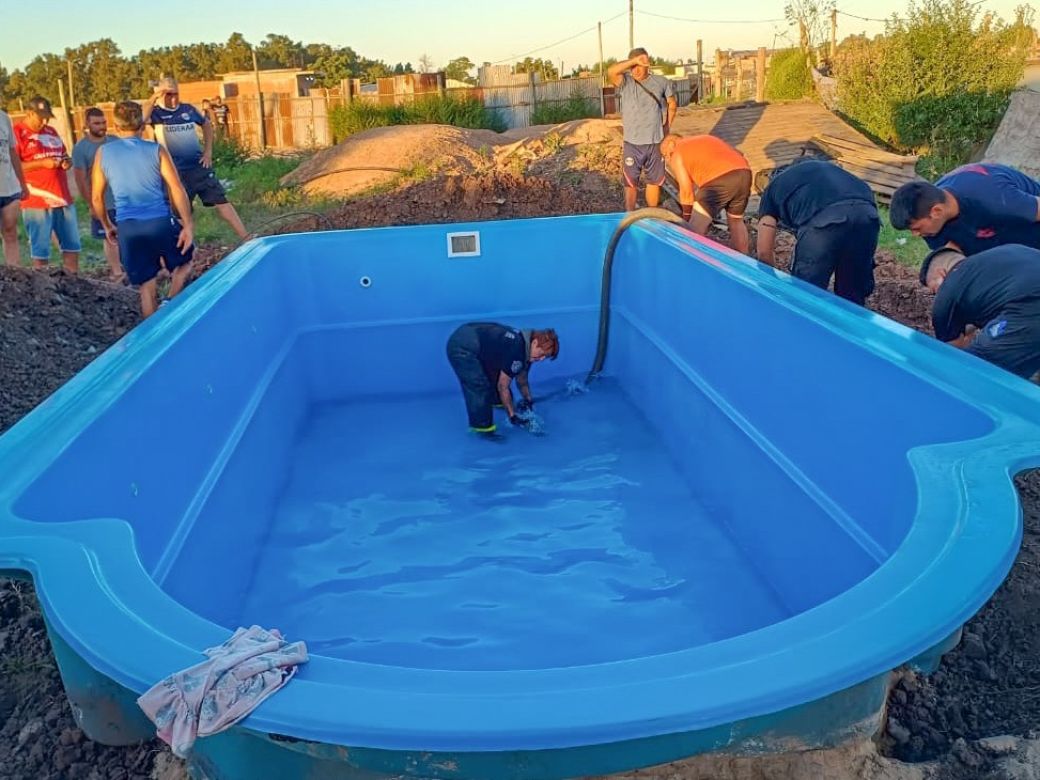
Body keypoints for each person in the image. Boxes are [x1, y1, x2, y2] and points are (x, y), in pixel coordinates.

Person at [91, 101, 195, 319]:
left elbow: (96, 197)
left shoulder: (104, 152)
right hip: (159, 222)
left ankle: (153, 339)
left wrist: (107, 225)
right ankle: (170, 303)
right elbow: (176, 187)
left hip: (128, 227)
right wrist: (187, 224)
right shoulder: (156, 149)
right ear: (142, 124)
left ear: (116, 127)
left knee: (146, 288)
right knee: (185, 262)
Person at [755, 158, 880, 305]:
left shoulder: (773, 187)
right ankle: (849, 326)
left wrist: (771, 286)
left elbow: (763, 251)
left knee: (806, 294)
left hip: (823, 223)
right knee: (852, 294)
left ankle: (804, 325)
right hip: (868, 217)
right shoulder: (836, 173)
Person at [144, 77, 248, 239]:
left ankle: (246, 238)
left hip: (198, 167)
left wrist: (208, 153)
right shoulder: (156, 114)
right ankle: (187, 248)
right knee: (181, 213)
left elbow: (206, 125)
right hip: (175, 172)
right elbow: (141, 120)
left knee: (222, 201)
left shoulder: (188, 110)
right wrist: (153, 98)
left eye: (175, 93)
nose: (173, 98)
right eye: (168, 94)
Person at [919, 243, 1040, 379]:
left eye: (933, 289)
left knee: (975, 368)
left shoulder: (947, 292)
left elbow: (952, 351)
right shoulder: (1000, 257)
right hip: (1029, 306)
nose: (936, 294)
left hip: (1030, 309)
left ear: (941, 273)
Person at [889, 163, 1040, 254]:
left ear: (937, 211)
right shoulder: (931, 222)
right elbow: (952, 249)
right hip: (1005, 243)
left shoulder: (996, 199)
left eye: (916, 228)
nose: (915, 234)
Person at [446, 323, 559, 437]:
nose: (541, 359)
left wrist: (528, 401)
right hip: (462, 346)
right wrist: (512, 416)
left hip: (475, 336)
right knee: (479, 385)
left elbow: (522, 379)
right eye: (542, 354)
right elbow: (503, 386)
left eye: (545, 357)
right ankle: (482, 429)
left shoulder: (527, 346)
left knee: (499, 372)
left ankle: (497, 402)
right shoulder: (517, 349)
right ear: (535, 343)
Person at [13, 96, 80, 273]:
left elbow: (63, 154)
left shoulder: (51, 132)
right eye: (40, 117)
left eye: (47, 117)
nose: (44, 121)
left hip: (62, 197)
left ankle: (73, 285)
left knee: (72, 247)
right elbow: (13, 165)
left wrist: (66, 161)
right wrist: (41, 164)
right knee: (41, 251)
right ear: (29, 113)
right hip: (37, 200)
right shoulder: (17, 133)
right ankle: (43, 288)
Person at [608, 48, 677, 211]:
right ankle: (630, 217)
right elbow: (610, 71)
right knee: (630, 183)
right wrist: (634, 61)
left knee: (653, 182)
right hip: (632, 143)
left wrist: (667, 127)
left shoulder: (661, 82)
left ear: (647, 65)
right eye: (633, 67)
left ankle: (651, 217)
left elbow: (672, 105)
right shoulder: (625, 82)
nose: (636, 70)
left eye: (640, 66)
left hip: (655, 143)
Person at [660, 133, 752, 253]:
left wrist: (686, 219)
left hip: (719, 179)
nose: (667, 160)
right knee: (736, 221)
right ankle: (743, 261)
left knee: (693, 229)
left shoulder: (678, 151)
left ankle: (690, 260)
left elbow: (686, 191)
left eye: (666, 155)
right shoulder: (704, 139)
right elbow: (739, 154)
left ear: (671, 145)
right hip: (744, 172)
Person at [72, 108, 123, 282]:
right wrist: (91, 203)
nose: (101, 127)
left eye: (103, 123)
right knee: (110, 237)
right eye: (97, 123)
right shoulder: (81, 148)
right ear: (87, 124)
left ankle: (129, 266)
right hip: (102, 201)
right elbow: (80, 179)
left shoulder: (115, 142)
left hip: (121, 198)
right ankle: (117, 272)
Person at [0, 108, 28, 268]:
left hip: (9, 186)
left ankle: (14, 272)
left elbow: (12, 151)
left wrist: (22, 183)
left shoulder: (4, 118)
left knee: (10, 231)